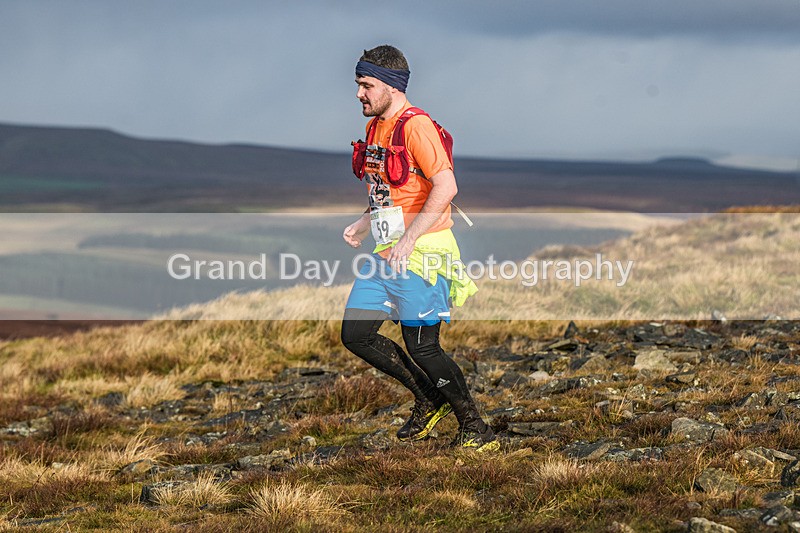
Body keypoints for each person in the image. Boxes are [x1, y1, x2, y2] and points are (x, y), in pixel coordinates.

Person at [341, 45, 498, 452]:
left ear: (391, 85)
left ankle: (475, 427)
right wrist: (364, 222)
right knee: (356, 334)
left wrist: (409, 240)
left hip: (424, 252)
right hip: (388, 251)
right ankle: (429, 398)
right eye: (358, 84)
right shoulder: (376, 127)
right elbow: (390, 190)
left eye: (366, 85)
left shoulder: (417, 127)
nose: (359, 93)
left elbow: (446, 186)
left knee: (423, 347)